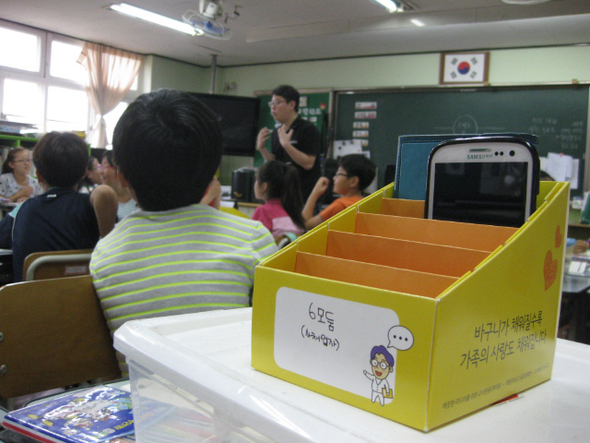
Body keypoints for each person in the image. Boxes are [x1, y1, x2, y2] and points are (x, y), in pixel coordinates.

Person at [90, 89, 278, 374]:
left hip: (141, 407)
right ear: (212, 172)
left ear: (122, 176)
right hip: (232, 404)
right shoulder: (251, 238)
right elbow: (275, 340)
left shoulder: (105, 252)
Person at [0, 132, 118, 282]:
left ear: (38, 175)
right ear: (83, 174)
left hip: (30, 302)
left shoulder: (23, 209)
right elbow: (104, 194)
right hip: (82, 300)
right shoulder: (92, 208)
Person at [256, 85, 322, 201]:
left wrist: (287, 145)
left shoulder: (308, 129)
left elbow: (308, 163)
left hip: (304, 196)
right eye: (271, 104)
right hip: (282, 194)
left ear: (292, 105)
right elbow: (275, 163)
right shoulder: (277, 132)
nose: (273, 108)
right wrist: (262, 149)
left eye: (277, 103)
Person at [303, 154, 376, 230]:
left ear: (353, 181)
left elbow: (305, 225)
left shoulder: (340, 205)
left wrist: (314, 193)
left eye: (338, 174)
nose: (334, 178)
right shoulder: (365, 204)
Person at [252, 160, 306, 240]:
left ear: (264, 186)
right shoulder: (294, 212)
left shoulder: (263, 211)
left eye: (256, 179)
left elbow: (250, 243)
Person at [99, 151, 138, 221]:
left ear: (118, 170)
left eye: (105, 167)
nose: (100, 172)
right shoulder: (102, 200)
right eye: (100, 167)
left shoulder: (138, 198)